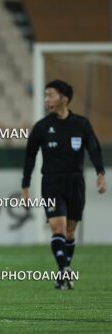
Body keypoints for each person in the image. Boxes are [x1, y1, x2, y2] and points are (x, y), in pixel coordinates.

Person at [21, 80, 107, 289]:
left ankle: (63, 274)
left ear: (64, 99)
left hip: (75, 181)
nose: (47, 99)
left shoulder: (82, 124)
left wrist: (100, 173)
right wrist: (25, 186)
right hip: (51, 181)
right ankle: (64, 271)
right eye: (45, 95)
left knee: (70, 230)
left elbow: (94, 149)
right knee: (57, 228)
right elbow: (30, 157)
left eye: (50, 95)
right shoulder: (42, 127)